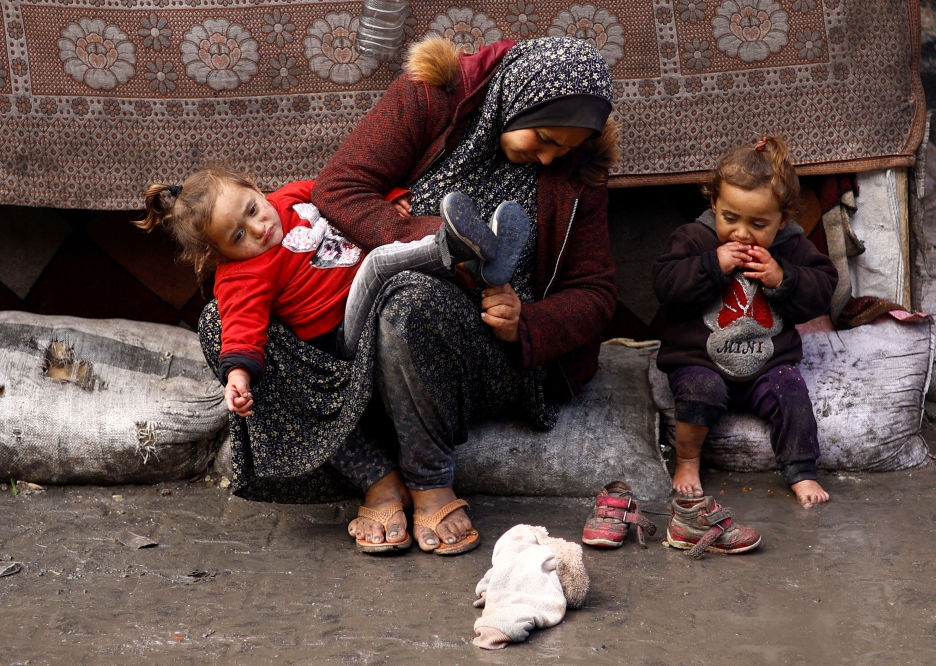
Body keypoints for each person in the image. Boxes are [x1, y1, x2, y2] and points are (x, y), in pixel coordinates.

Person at [302, 35, 619, 554]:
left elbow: (596, 292)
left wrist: (528, 323)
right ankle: (376, 475)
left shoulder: (577, 171)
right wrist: (434, 241)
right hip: (362, 306)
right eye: (542, 137)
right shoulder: (431, 99)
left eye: (564, 148)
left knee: (408, 301)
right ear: (516, 98)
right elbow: (340, 188)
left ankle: (430, 481)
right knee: (226, 325)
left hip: (478, 347)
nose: (547, 159)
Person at [137, 168, 528, 528]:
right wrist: (237, 374)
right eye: (238, 235)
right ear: (220, 255)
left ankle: (475, 261)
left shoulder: (293, 196)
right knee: (376, 266)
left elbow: (345, 196)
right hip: (345, 336)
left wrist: (387, 202)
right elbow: (240, 328)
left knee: (395, 276)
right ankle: (456, 248)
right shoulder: (241, 275)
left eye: (253, 209)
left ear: (256, 187)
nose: (258, 228)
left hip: (396, 313)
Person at [652, 135, 838, 509]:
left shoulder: (792, 248)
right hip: (699, 359)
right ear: (714, 204)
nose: (740, 232)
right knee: (699, 390)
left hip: (768, 362)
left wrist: (783, 278)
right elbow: (665, 284)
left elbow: (823, 288)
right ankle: (687, 461)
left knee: (792, 393)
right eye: (730, 218)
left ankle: (802, 470)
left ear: (783, 220)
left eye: (758, 224)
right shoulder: (694, 239)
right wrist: (710, 266)